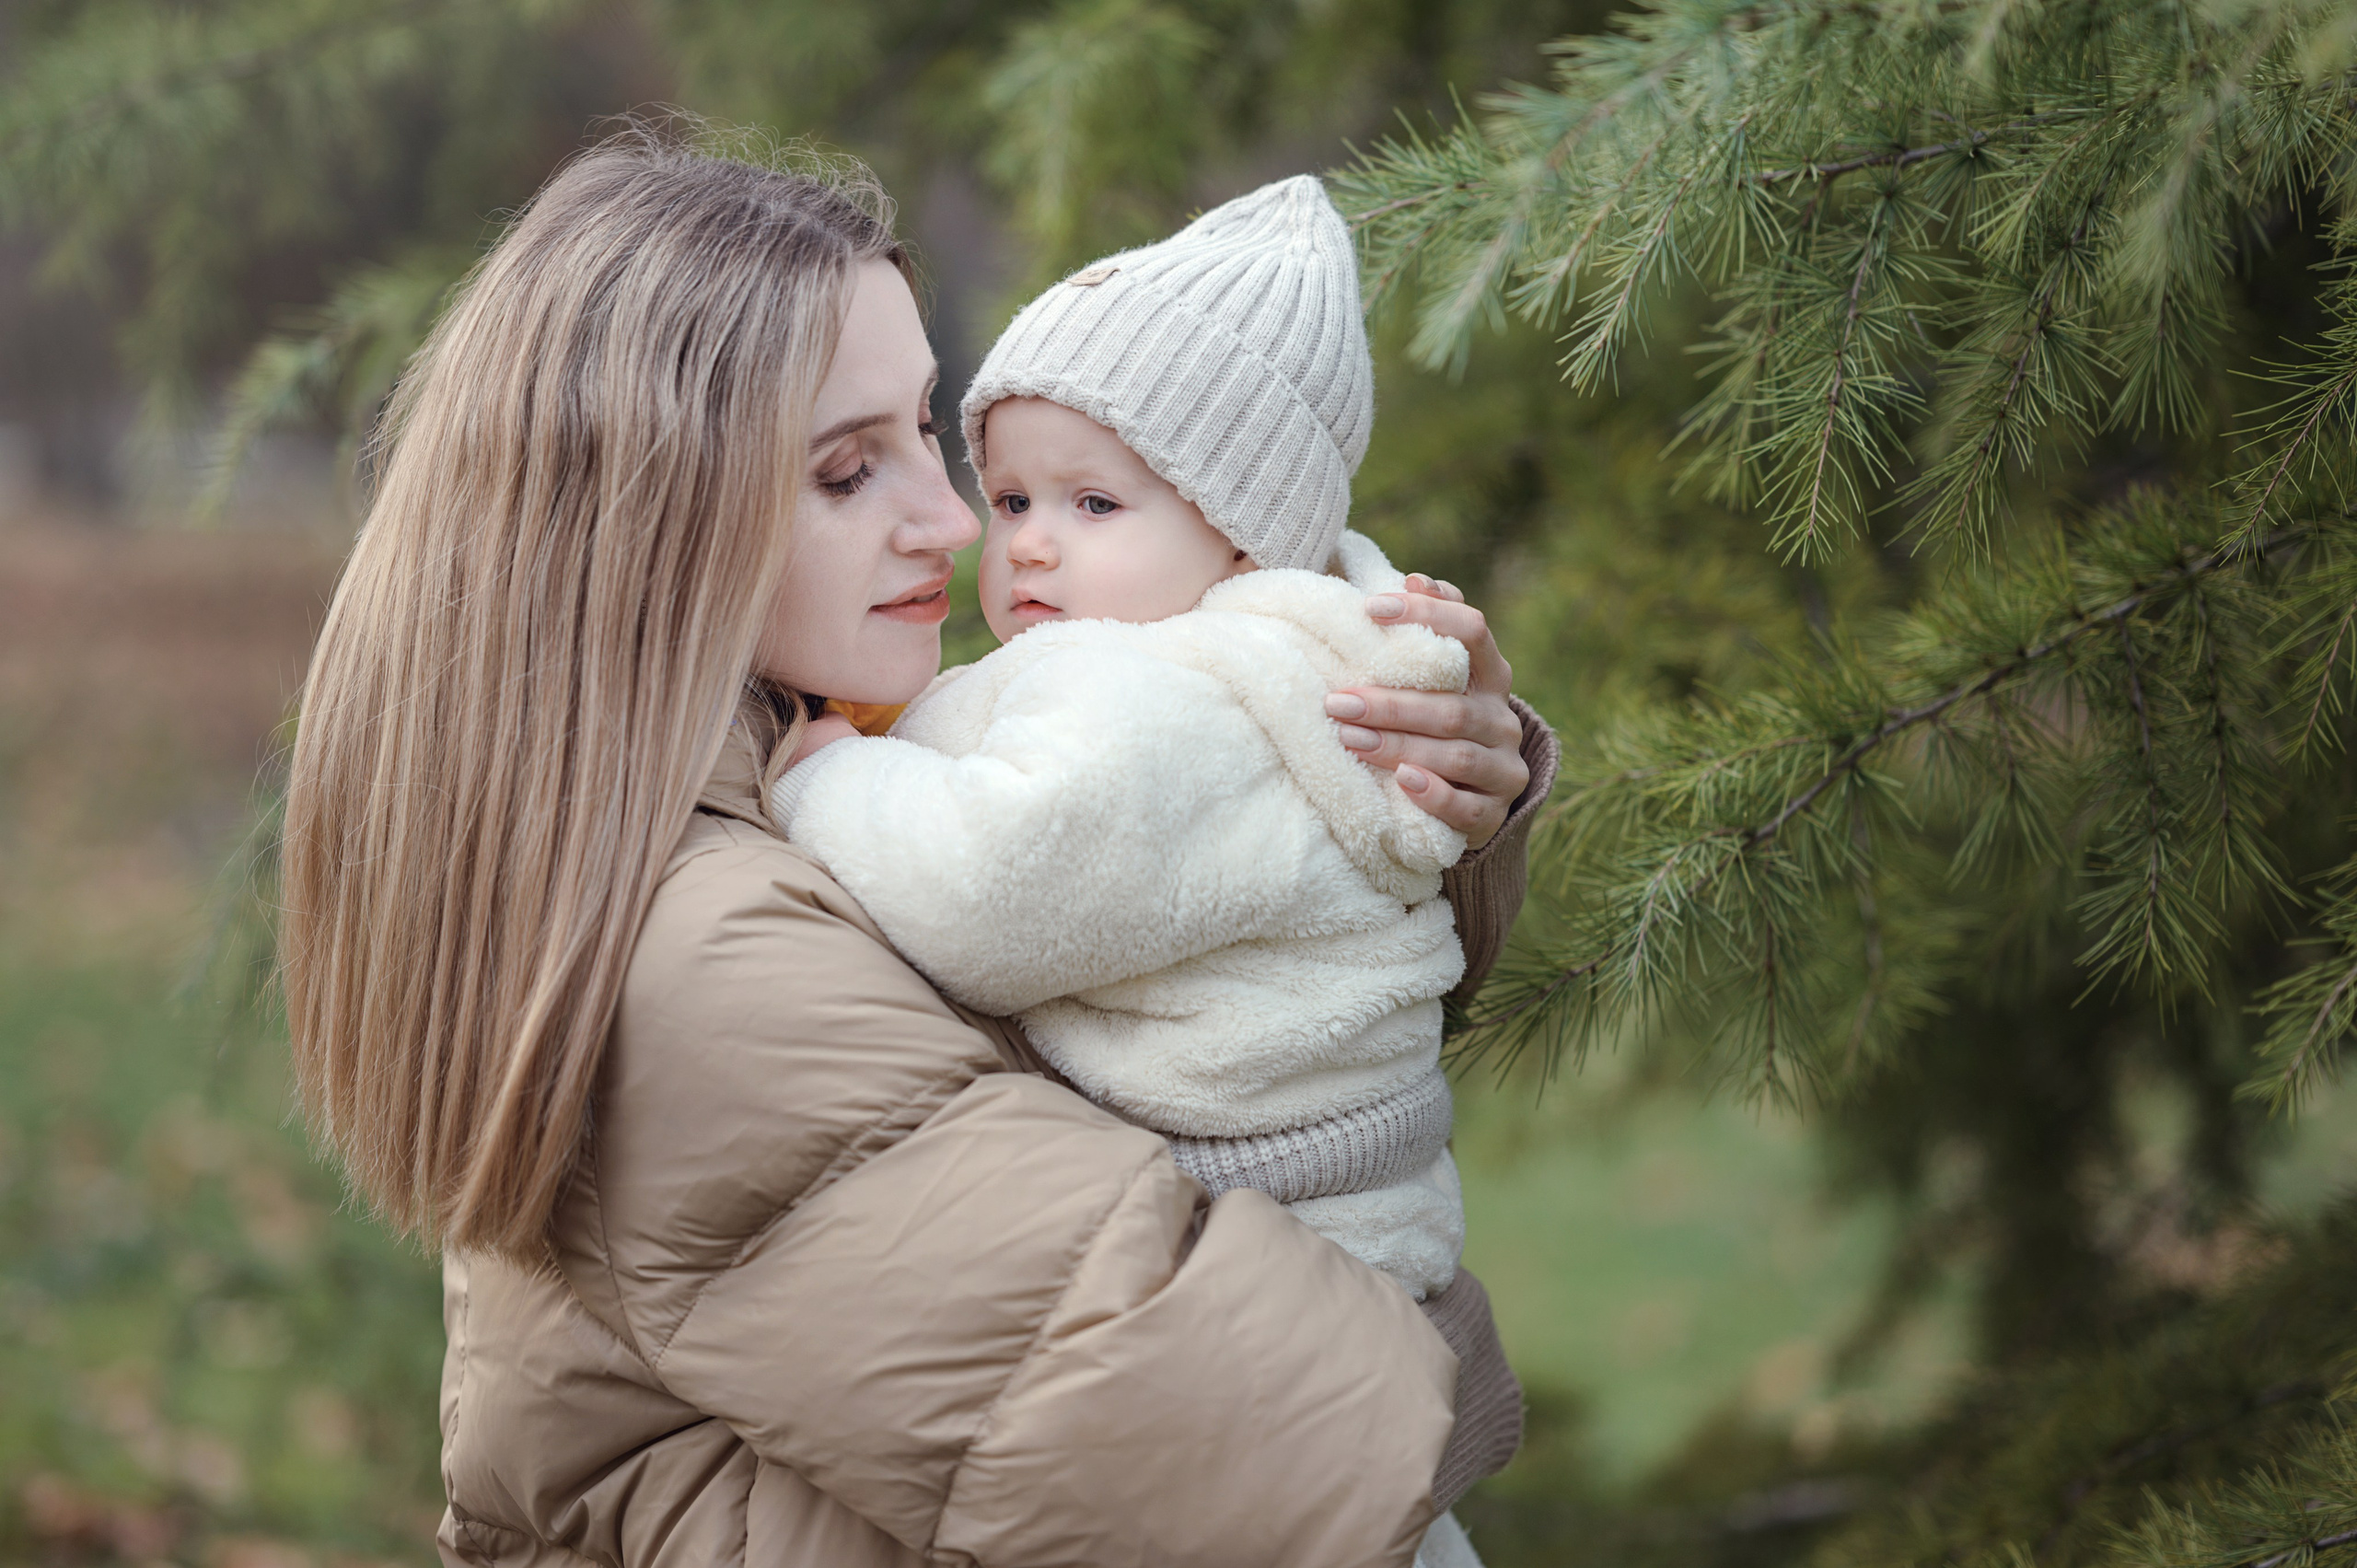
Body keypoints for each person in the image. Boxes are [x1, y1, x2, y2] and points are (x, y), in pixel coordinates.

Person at [278, 128, 1555, 1568]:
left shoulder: (769, 782)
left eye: (928, 438)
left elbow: (1207, 996)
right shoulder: (712, 960)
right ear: (653, 521)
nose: (955, 524)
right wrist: (1436, 1345)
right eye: (844, 471)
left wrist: (1414, 786)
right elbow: (1257, 1459)